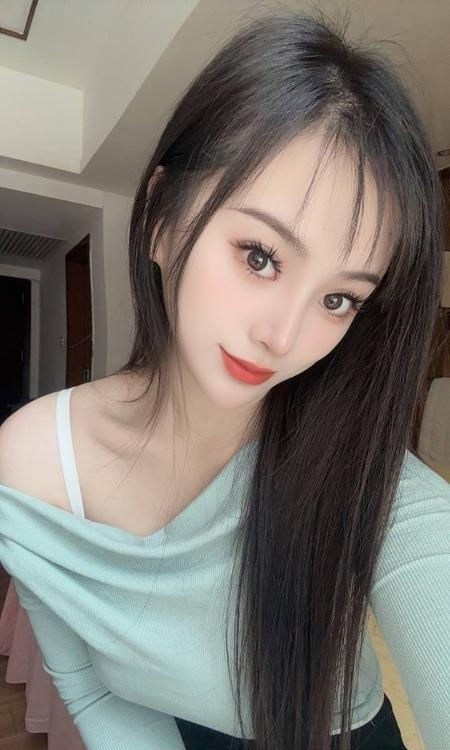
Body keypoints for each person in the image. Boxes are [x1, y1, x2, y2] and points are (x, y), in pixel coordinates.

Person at [0, 9, 449, 750]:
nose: (284, 337)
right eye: (261, 257)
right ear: (160, 219)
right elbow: (89, 686)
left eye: (339, 299)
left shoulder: (357, 469)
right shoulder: (34, 463)